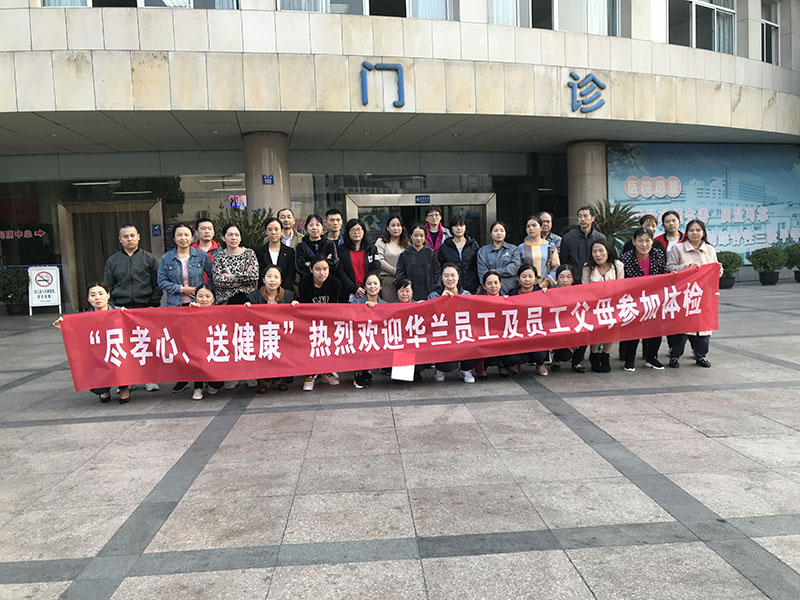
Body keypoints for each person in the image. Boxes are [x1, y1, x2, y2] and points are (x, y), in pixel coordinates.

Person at [104, 224, 161, 392]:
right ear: (120, 240)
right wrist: (112, 306)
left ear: (138, 237)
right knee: (125, 346)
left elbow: (157, 283)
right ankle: (127, 380)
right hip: (121, 308)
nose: (129, 239)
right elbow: (108, 285)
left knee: (146, 344)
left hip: (145, 307)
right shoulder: (113, 261)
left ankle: (148, 378)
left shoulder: (149, 258)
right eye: (125, 236)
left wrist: (153, 303)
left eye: (132, 235)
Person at [53, 282, 132, 404]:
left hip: (116, 350)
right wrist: (64, 327)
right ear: (88, 299)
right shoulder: (84, 318)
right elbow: (76, 335)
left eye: (101, 293)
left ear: (108, 295)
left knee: (122, 361)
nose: (97, 298)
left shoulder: (120, 311)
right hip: (97, 353)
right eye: (93, 295)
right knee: (94, 366)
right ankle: (104, 389)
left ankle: (124, 388)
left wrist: (128, 316)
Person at [666, 219, 723, 368]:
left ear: (703, 233)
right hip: (684, 294)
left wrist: (719, 270)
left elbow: (715, 272)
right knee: (682, 328)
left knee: (704, 328)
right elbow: (670, 268)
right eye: (691, 230)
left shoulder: (710, 249)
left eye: (698, 230)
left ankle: (701, 355)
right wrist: (687, 267)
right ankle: (675, 356)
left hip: (704, 295)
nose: (695, 233)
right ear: (686, 233)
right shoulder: (678, 248)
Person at [619, 227, 667, 372]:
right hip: (633, 299)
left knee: (656, 329)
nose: (644, 244)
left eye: (647, 241)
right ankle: (629, 360)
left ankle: (651, 358)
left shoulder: (658, 254)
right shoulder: (625, 258)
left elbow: (664, 273)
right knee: (633, 330)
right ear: (634, 242)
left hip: (654, 298)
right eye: (640, 241)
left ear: (652, 242)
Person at [246, 265, 299, 393]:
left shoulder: (289, 296)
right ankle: (263, 381)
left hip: (281, 334)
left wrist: (296, 305)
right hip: (261, 334)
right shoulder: (253, 297)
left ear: (281, 280)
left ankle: (281, 379)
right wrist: (247, 306)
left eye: (276, 277)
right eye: (269, 276)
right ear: (263, 279)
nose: (272, 280)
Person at [425, 264, 476, 383]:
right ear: (441, 278)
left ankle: (465, 370)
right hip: (443, 339)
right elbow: (429, 320)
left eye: (453, 275)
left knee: (477, 344)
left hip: (462, 336)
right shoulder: (433, 296)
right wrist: (441, 301)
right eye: (446, 275)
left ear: (458, 277)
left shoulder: (466, 295)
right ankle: (439, 369)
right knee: (448, 366)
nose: (450, 279)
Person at [298, 256, 342, 390]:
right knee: (311, 343)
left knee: (328, 342)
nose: (322, 273)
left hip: (329, 321)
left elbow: (334, 307)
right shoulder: (304, 283)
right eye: (318, 269)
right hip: (309, 321)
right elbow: (305, 308)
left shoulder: (335, 283)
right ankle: (310, 374)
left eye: (325, 269)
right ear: (311, 269)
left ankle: (327, 371)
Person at [582, 240, 624, 373]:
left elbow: (621, 286)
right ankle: (594, 354)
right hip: (594, 306)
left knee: (610, 331)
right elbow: (584, 289)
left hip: (612, 305)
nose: (598, 254)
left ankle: (605, 355)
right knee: (596, 331)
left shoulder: (618, 265)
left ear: (608, 251)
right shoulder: (588, 267)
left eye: (601, 250)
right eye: (594, 251)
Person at [176, 284, 225, 400]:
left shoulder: (220, 312)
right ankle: (197, 386)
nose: (204, 300)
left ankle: (209, 383)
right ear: (195, 298)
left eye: (208, 296)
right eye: (200, 296)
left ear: (213, 299)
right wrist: (190, 311)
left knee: (217, 385)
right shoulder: (190, 310)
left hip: (214, 347)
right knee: (197, 358)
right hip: (196, 348)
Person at [475, 270, 521, 379]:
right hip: (486, 340)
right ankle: (484, 367)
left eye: (496, 283)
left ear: (500, 285)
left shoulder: (508, 301)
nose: (493, 286)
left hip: (504, 341)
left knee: (513, 358)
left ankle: (502, 364)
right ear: (484, 286)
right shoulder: (477, 302)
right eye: (489, 283)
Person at [158, 224, 213, 308]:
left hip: (197, 304)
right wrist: (181, 289)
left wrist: (208, 295)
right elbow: (162, 282)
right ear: (174, 238)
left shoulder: (201, 255)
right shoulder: (166, 258)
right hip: (174, 305)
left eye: (186, 235)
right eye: (179, 235)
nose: (183, 238)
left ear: (192, 238)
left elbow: (213, 276)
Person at [509, 264, 549, 376]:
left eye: (530, 276)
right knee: (517, 358)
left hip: (536, 330)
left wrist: (547, 294)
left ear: (536, 279)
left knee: (540, 353)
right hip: (519, 332)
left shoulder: (542, 293)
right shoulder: (512, 294)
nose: (527, 279)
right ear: (518, 278)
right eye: (524, 276)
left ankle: (540, 364)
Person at [349, 273, 386, 388]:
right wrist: (364, 310)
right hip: (361, 340)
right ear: (364, 287)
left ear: (380, 287)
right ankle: (360, 371)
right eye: (369, 284)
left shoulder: (385, 305)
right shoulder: (356, 303)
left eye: (375, 283)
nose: (372, 286)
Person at [550, 266, 588, 373]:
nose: (565, 280)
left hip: (575, 327)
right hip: (558, 329)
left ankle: (576, 363)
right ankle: (556, 359)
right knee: (565, 355)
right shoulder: (550, 293)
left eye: (568, 277)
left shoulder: (579, 293)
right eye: (561, 277)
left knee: (585, 335)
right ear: (557, 278)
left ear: (573, 279)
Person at [212, 224, 259, 305]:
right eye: (230, 235)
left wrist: (231, 276)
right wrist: (244, 278)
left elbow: (253, 276)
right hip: (226, 301)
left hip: (248, 300)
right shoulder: (219, 257)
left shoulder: (249, 253)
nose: (234, 238)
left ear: (240, 238)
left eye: (237, 235)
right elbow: (218, 281)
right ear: (223, 238)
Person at [337, 218, 380, 302]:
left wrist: (367, 286)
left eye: (359, 229)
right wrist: (354, 288)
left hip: (369, 291)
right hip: (349, 292)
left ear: (363, 231)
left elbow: (376, 268)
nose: (356, 232)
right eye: (352, 230)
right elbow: (341, 273)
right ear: (348, 233)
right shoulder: (341, 250)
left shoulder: (371, 249)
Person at [559, 206, 607, 280]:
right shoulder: (568, 238)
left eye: (585, 216)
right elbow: (564, 261)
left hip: (595, 278)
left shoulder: (600, 238)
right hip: (574, 279)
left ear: (593, 218)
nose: (582, 219)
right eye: (580, 216)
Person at [396, 224, 441, 301]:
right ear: (411, 236)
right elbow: (400, 274)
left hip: (430, 293)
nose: (419, 238)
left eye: (421, 236)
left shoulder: (430, 253)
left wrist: (435, 290)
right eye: (416, 235)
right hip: (410, 295)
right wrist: (406, 290)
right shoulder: (405, 254)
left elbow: (437, 272)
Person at [438, 215, 480, 294]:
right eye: (455, 226)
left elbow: (478, 266)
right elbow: (440, 268)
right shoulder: (445, 247)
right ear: (451, 228)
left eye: (461, 225)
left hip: (472, 287)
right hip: (451, 288)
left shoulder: (473, 245)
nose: (459, 228)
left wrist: (480, 284)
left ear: (466, 227)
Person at [477, 222, 521, 295]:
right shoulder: (482, 251)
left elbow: (514, 268)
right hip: (490, 293)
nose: (499, 233)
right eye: (496, 231)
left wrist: (496, 272)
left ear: (505, 233)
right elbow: (482, 273)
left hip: (509, 290)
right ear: (491, 234)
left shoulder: (513, 249)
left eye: (502, 230)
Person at [518, 215, 559, 288]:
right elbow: (519, 268)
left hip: (546, 287)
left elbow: (556, 266)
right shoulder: (521, 248)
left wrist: (546, 282)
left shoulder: (550, 246)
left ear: (540, 228)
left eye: (534, 225)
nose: (531, 228)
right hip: (527, 287)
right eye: (528, 226)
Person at [375, 215, 409, 302]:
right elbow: (379, 260)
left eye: (398, 225)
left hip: (404, 282)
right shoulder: (381, 242)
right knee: (390, 306)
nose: (396, 228)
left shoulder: (407, 243)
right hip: (387, 281)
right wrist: (395, 272)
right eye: (393, 225)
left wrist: (401, 275)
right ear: (387, 228)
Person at [255, 217, 296, 289]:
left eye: (276, 229)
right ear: (266, 232)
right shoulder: (259, 252)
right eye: (270, 229)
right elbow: (259, 275)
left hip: (285, 292)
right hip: (264, 291)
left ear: (281, 231)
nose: (273, 232)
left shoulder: (290, 252)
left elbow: (290, 276)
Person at [192, 218, 220, 286]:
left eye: (210, 229)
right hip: (196, 289)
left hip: (217, 289)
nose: (207, 231)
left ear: (213, 232)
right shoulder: (191, 251)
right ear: (197, 232)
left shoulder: (221, 250)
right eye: (203, 228)